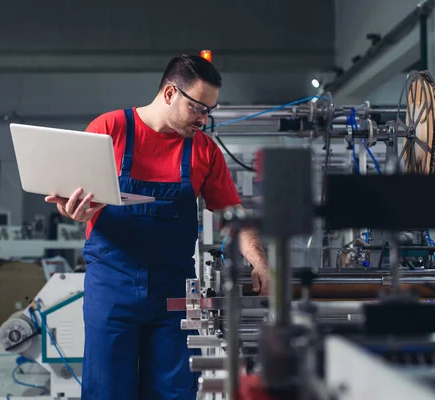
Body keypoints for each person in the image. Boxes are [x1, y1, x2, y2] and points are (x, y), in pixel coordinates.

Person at [45, 54, 270, 400]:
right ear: (169, 93)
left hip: (174, 292)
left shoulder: (204, 150)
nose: (203, 120)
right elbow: (72, 202)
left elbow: (232, 214)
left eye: (208, 111)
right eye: (197, 108)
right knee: (107, 391)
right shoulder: (109, 129)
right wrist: (72, 212)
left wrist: (260, 260)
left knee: (175, 391)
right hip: (112, 287)